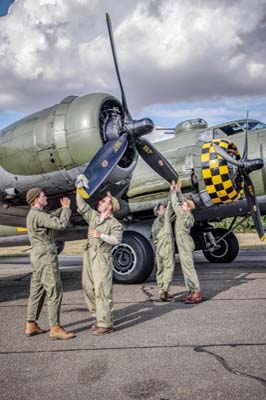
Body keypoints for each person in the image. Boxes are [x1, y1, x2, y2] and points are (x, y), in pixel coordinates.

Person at [25, 188, 76, 339]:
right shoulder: (38, 215)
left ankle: (31, 325)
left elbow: (49, 217)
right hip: (46, 257)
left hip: (37, 257)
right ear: (36, 200)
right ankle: (55, 328)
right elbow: (60, 224)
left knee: (37, 291)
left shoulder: (34, 214)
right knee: (54, 291)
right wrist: (66, 209)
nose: (45, 197)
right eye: (42, 196)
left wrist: (61, 208)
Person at [76, 182, 123, 336]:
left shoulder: (115, 224)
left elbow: (117, 240)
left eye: (103, 201)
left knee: (102, 290)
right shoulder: (94, 217)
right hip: (89, 254)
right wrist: (79, 188)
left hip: (102, 256)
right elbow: (82, 206)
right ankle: (98, 316)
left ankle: (106, 323)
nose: (100, 202)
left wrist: (101, 235)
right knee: (88, 287)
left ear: (109, 207)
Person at [170, 180, 202, 304]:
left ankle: (197, 292)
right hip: (182, 243)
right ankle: (191, 291)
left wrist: (173, 191)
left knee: (189, 268)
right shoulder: (186, 213)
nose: (182, 204)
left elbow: (175, 204)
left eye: (184, 204)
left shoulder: (185, 215)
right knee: (185, 269)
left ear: (188, 208)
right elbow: (181, 202)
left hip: (185, 243)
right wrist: (179, 191)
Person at [151, 201, 175, 301]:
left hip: (159, 247)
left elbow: (154, 239)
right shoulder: (163, 218)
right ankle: (165, 289)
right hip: (166, 246)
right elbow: (170, 210)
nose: (165, 209)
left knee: (160, 269)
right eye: (162, 208)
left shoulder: (155, 223)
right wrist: (173, 193)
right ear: (158, 211)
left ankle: (161, 290)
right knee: (169, 267)